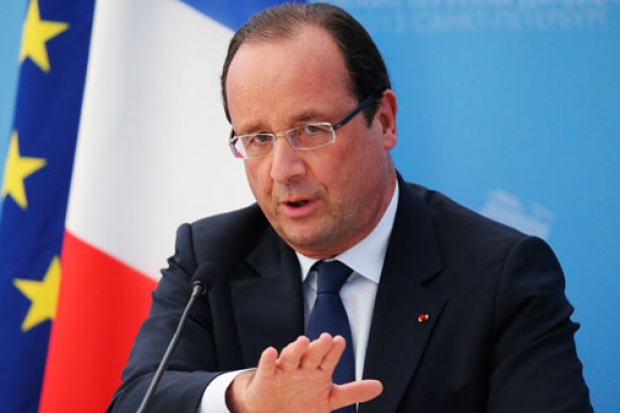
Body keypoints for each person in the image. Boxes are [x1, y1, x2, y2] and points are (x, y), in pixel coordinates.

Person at [107, 3, 593, 413]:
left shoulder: (499, 275)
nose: (282, 170)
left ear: (384, 121)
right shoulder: (210, 259)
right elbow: (136, 400)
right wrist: (244, 398)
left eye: (311, 130)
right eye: (258, 138)